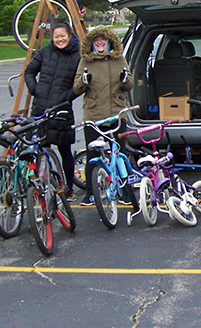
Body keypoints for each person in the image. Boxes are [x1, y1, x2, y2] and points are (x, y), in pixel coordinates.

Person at [73, 26, 134, 206]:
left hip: (116, 113)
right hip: (94, 114)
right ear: (92, 43)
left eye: (102, 40)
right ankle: (90, 193)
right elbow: (76, 88)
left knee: (121, 154)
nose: (99, 43)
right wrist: (84, 81)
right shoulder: (86, 61)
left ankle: (125, 192)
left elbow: (129, 84)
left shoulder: (118, 59)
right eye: (96, 40)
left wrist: (124, 79)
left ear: (108, 41)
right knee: (93, 155)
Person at [24, 22, 81, 201]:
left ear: (70, 35)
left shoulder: (78, 56)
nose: (59, 39)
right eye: (56, 36)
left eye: (63, 36)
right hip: (40, 108)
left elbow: (81, 83)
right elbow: (29, 72)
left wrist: (67, 97)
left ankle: (69, 188)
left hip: (61, 110)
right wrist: (35, 90)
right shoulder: (44, 52)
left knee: (65, 151)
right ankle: (42, 187)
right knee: (41, 150)